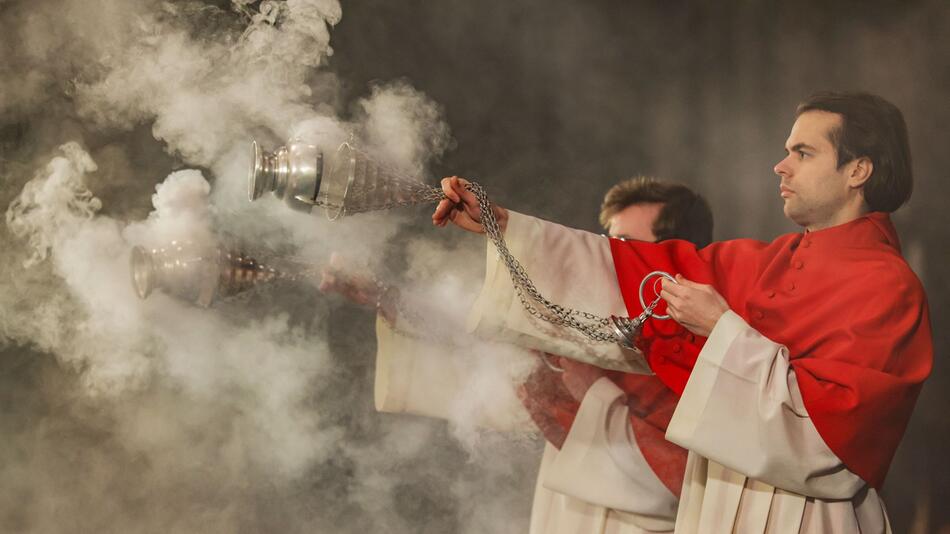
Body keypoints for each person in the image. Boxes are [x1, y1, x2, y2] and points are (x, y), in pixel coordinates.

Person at [432, 91, 932, 533]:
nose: (781, 166)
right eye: (786, 152)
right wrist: (506, 227)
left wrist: (722, 330)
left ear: (858, 170)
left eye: (803, 153)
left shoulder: (888, 285)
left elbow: (831, 444)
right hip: (714, 502)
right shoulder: (765, 263)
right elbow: (634, 271)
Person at [321, 177, 714, 533]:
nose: (610, 256)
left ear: (674, 257)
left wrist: (586, 391)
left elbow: (680, 491)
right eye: (607, 240)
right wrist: (383, 296)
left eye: (626, 247)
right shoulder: (588, 327)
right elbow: (480, 342)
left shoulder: (699, 355)